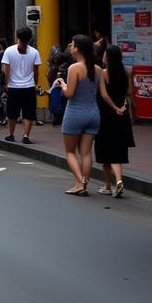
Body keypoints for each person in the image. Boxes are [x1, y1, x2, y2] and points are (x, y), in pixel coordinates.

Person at [54, 34, 103, 196]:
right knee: (86, 152)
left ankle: (80, 183)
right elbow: (101, 93)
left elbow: (69, 93)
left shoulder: (74, 68)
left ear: (78, 49)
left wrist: (62, 84)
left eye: (72, 45)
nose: (70, 47)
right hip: (93, 113)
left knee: (70, 151)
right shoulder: (98, 69)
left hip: (75, 113)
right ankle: (84, 183)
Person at [96, 44, 134, 199]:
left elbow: (104, 95)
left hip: (106, 114)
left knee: (105, 150)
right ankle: (119, 180)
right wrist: (121, 107)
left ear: (108, 57)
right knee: (118, 150)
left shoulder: (103, 73)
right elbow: (130, 92)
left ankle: (107, 186)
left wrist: (114, 107)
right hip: (122, 113)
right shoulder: (127, 72)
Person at [2, 28, 42, 144]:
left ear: (17, 37)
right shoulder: (34, 52)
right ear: (30, 39)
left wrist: (6, 83)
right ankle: (25, 136)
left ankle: (11, 134)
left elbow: (6, 70)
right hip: (29, 87)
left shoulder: (9, 51)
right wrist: (35, 83)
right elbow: (36, 71)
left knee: (12, 112)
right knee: (28, 112)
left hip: (13, 87)